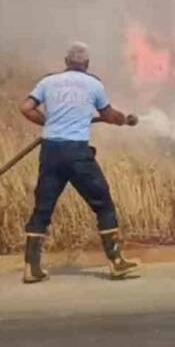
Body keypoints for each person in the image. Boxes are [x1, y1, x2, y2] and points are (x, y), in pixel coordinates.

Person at [19, 42, 140, 283]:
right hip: (77, 153)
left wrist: (49, 123)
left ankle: (31, 268)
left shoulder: (48, 82)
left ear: (66, 63)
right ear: (86, 64)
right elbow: (108, 114)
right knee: (103, 204)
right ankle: (116, 262)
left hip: (51, 151)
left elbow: (26, 108)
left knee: (43, 208)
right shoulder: (93, 84)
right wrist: (122, 120)